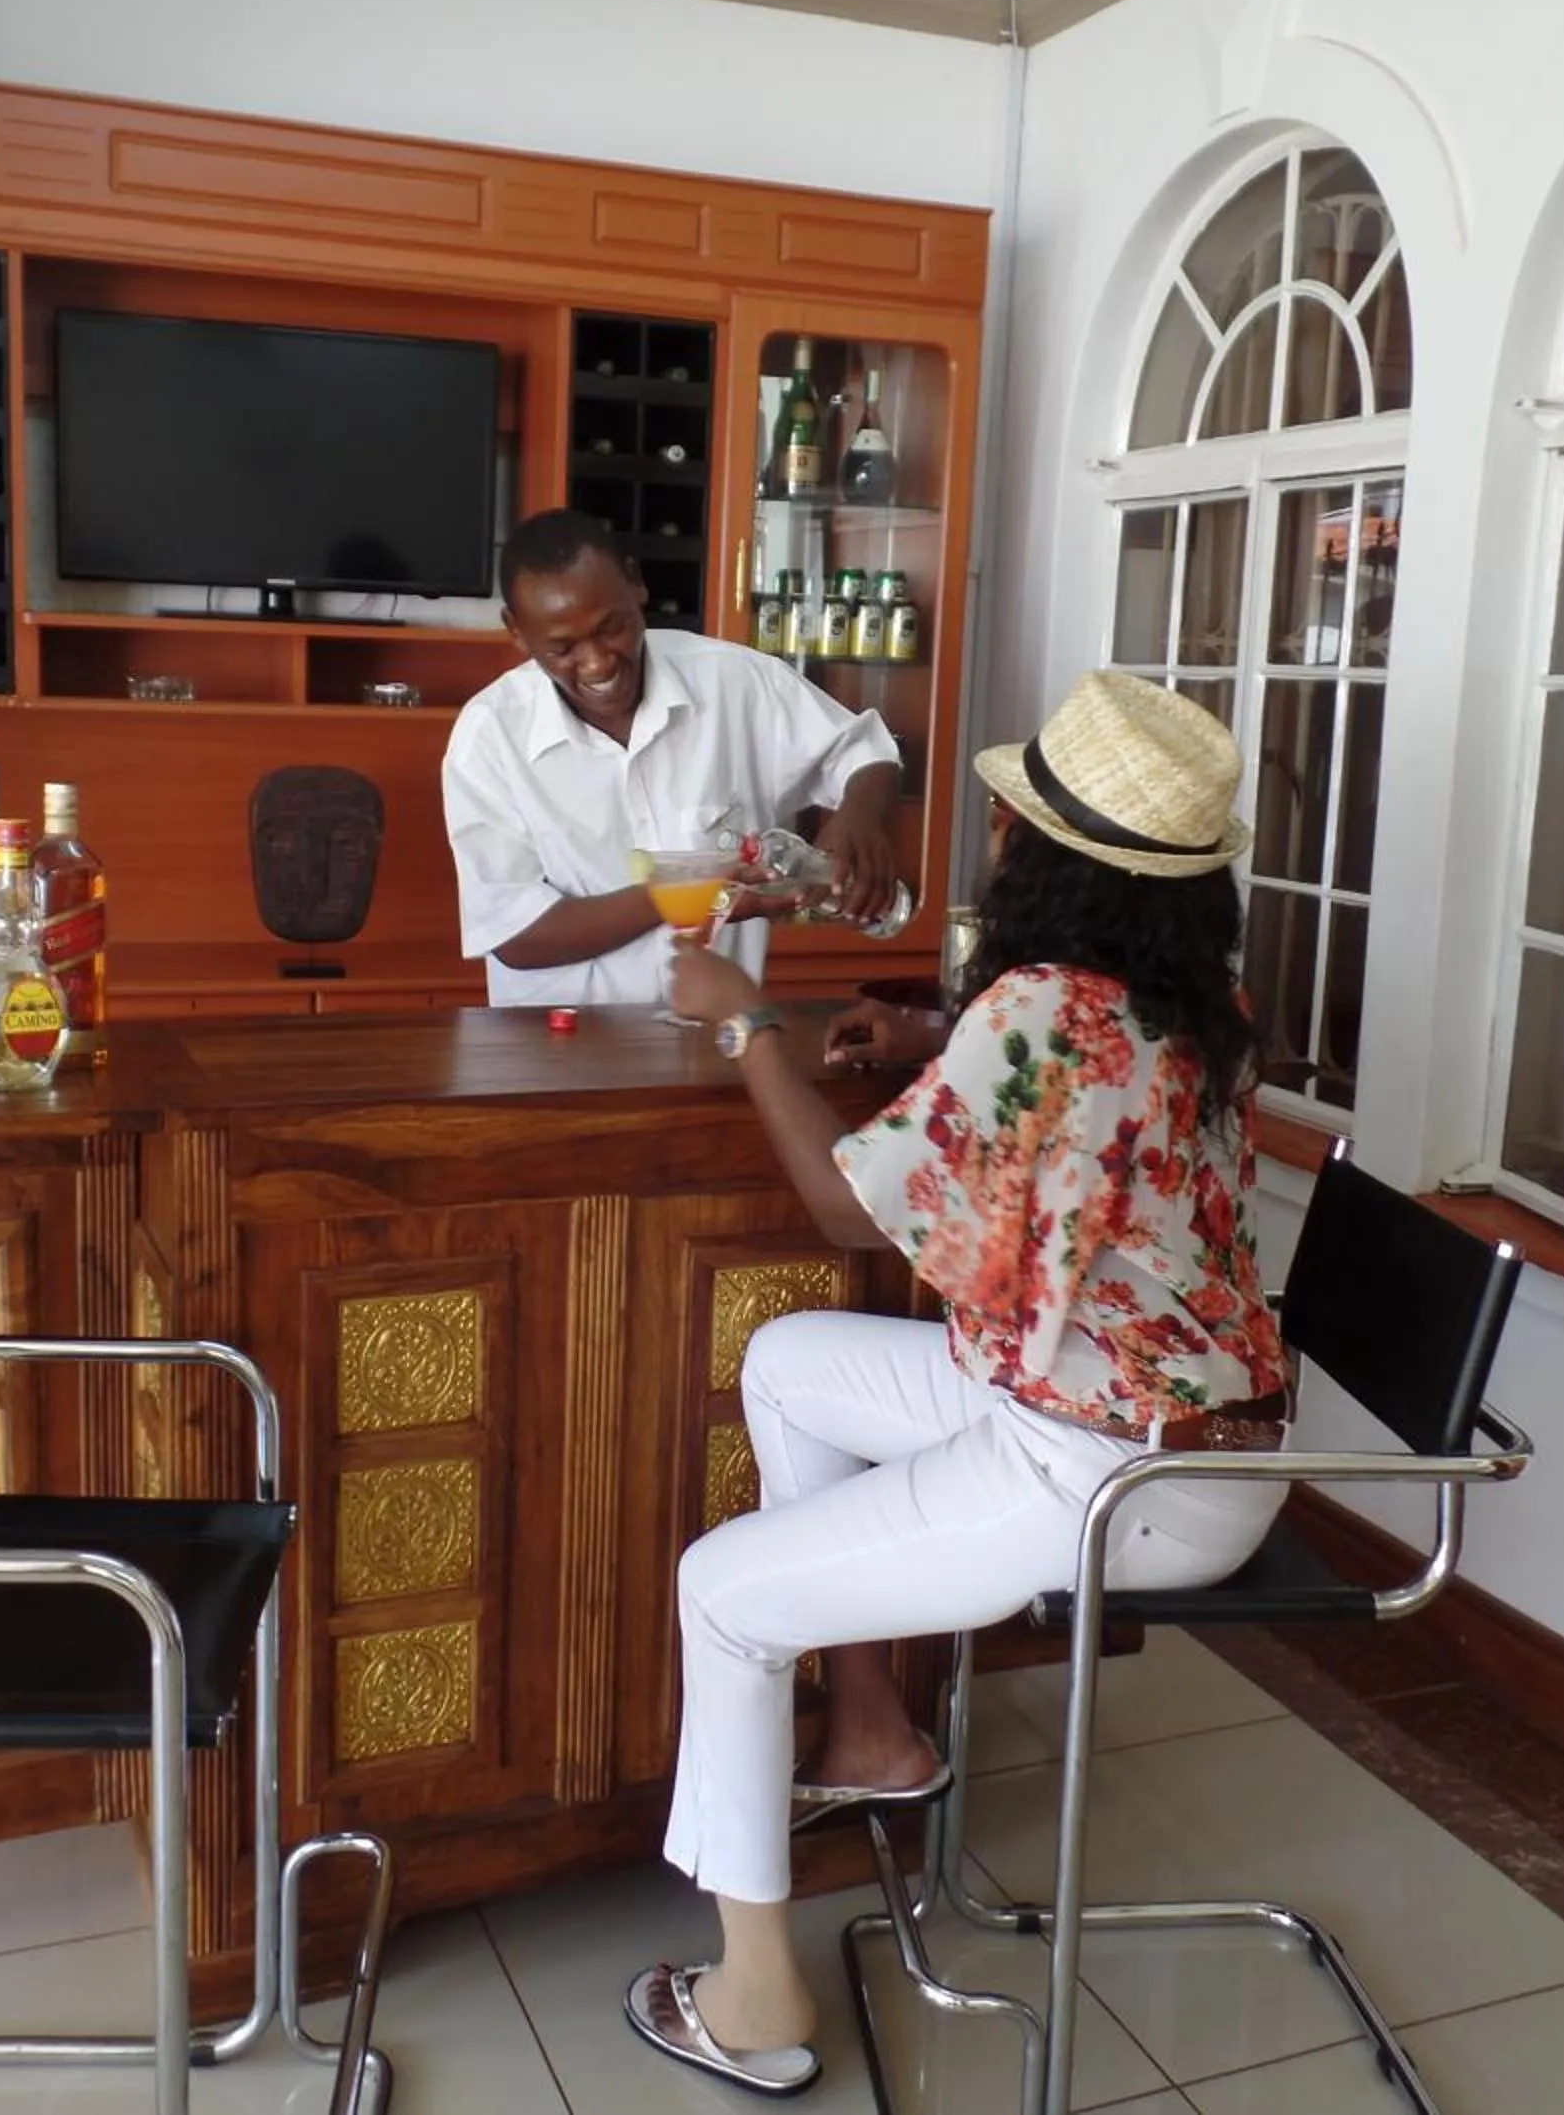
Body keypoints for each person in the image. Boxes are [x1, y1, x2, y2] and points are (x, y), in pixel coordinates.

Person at [623, 671, 1295, 2096]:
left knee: (722, 1591)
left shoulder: (1045, 1011)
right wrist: (939, 1043)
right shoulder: (1190, 996)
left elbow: (845, 1214)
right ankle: (872, 1726)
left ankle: (751, 1997)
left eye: (1012, 813)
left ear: (1042, 850)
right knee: (790, 1363)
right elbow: (1092, 1089)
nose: (992, 822)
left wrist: (748, 1019)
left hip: (1109, 1468)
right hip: (1193, 1431)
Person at [442, 508, 904, 1008]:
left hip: (715, 1038)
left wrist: (859, 815)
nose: (596, 662)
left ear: (636, 583)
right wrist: (692, 893)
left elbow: (864, 750)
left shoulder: (734, 681)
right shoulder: (489, 737)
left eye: (611, 628)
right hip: (557, 1048)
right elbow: (518, 936)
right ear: (516, 631)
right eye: (562, 649)